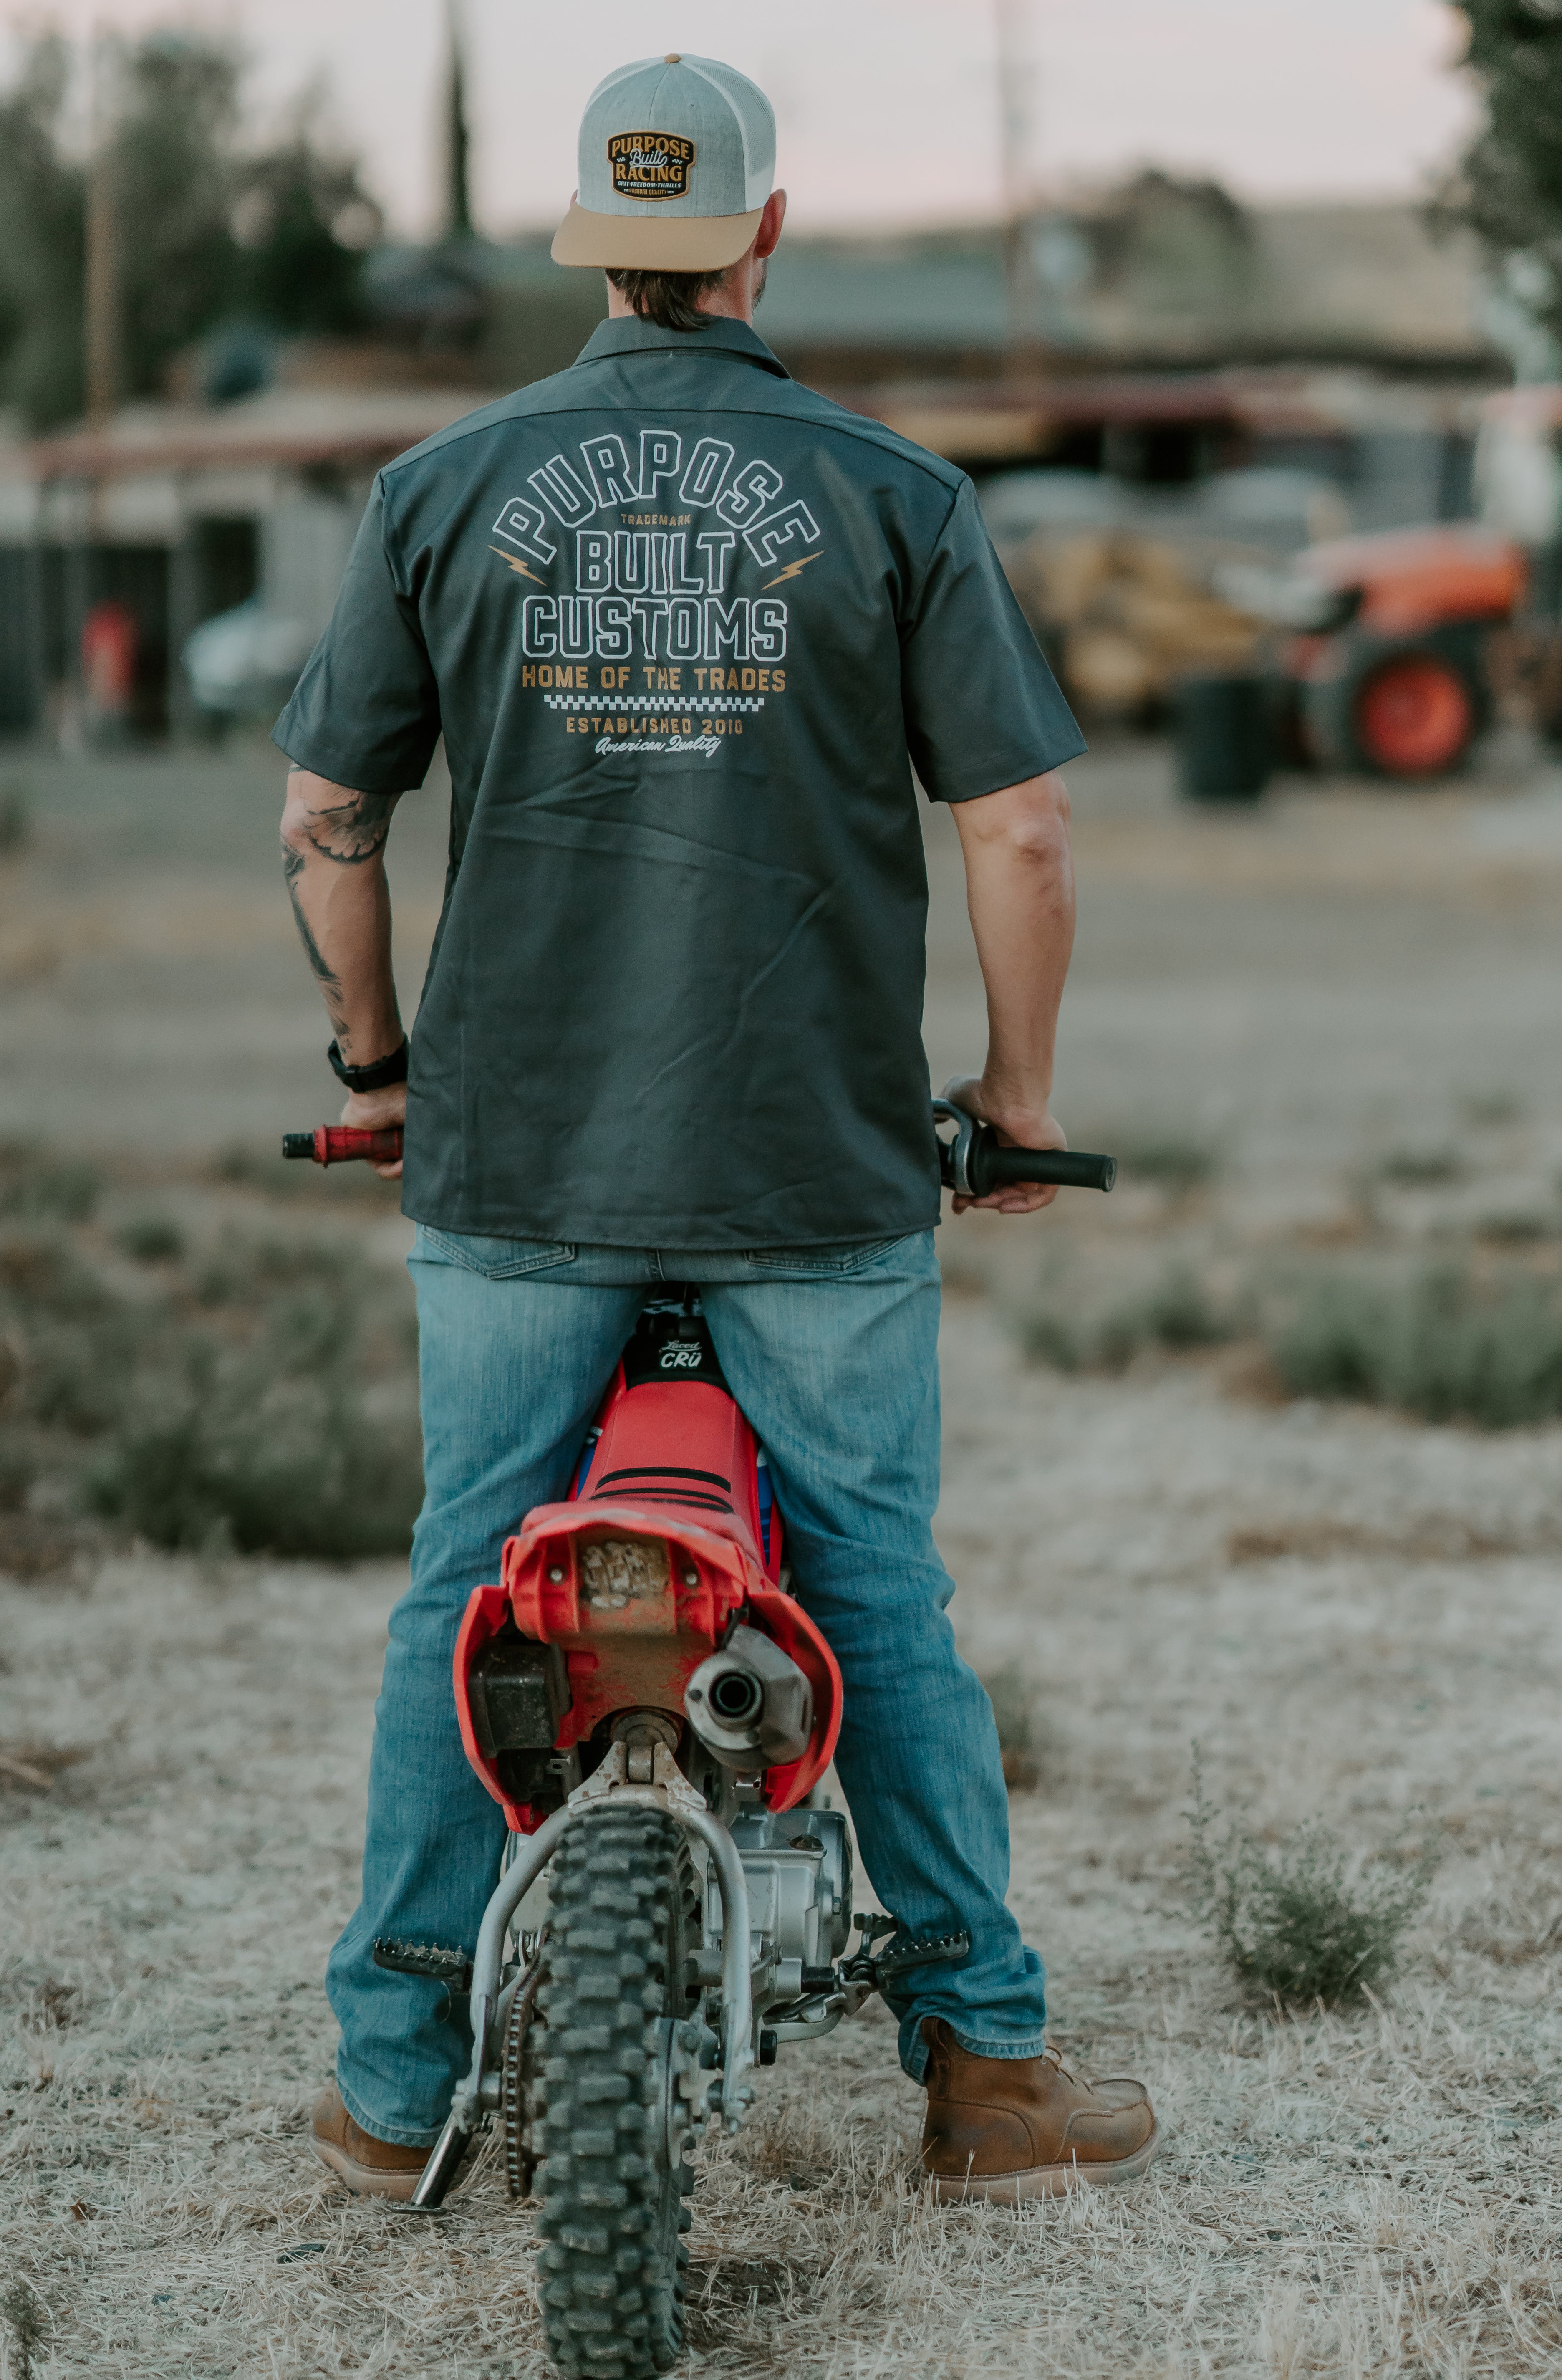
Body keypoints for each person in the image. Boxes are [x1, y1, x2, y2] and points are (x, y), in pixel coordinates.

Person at [274, 51, 1157, 2208]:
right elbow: (1022, 829)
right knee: (876, 1586)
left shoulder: (437, 487)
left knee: (460, 1584)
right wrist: (1017, 1106)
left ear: (595, 243)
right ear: (764, 233)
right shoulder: (893, 494)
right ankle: (984, 2071)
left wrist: (378, 1075)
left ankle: (391, 2076)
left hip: (514, 1163)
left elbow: (324, 822)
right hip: (816, 1170)